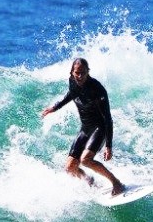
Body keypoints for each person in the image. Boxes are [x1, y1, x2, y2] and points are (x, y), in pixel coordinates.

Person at [42, 58, 125, 195]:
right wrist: (55, 107)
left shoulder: (97, 89)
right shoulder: (72, 81)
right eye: (77, 73)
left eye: (83, 73)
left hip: (100, 127)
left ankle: (116, 183)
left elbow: (108, 119)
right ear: (72, 73)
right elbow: (71, 94)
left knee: (85, 160)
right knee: (70, 168)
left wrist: (108, 146)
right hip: (86, 128)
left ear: (88, 72)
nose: (80, 76)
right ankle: (88, 180)